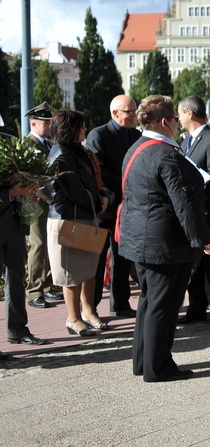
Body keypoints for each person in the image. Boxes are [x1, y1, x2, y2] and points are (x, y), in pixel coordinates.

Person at [118, 95, 210, 382]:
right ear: (165, 121)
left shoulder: (136, 147)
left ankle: (143, 362)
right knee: (163, 306)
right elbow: (184, 204)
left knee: (149, 303)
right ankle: (158, 368)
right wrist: (204, 240)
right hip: (164, 243)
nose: (178, 123)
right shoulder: (166, 154)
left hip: (142, 240)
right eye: (175, 119)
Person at [46, 109, 114, 336]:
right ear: (70, 129)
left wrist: (102, 195)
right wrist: (99, 200)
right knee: (71, 274)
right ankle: (73, 318)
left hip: (85, 216)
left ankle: (88, 312)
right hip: (68, 220)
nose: (85, 129)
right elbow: (74, 190)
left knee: (88, 270)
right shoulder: (61, 154)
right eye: (81, 126)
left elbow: (93, 182)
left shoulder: (78, 151)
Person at [85, 95, 141, 317]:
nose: (134, 115)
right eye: (129, 111)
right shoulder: (99, 135)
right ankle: (92, 307)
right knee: (98, 262)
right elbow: (97, 171)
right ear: (115, 113)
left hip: (128, 206)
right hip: (105, 207)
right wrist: (127, 179)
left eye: (135, 110)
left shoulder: (135, 135)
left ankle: (120, 304)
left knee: (123, 257)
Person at [177, 96, 210, 327]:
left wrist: (195, 179)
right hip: (191, 210)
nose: (178, 119)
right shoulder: (186, 140)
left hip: (207, 210)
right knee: (193, 262)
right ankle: (196, 308)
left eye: (180, 114)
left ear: (189, 113)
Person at [1, 134, 46, 352]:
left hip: (13, 226)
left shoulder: (7, 143)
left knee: (16, 280)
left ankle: (18, 330)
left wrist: (26, 194)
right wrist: (10, 193)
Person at [23, 103, 60, 309]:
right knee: (37, 246)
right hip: (37, 204)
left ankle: (46, 286)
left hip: (49, 202)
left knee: (48, 245)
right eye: (45, 123)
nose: (49, 127)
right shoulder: (29, 144)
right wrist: (49, 199)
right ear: (33, 123)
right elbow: (33, 179)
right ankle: (34, 290)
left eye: (50, 123)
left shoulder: (46, 144)